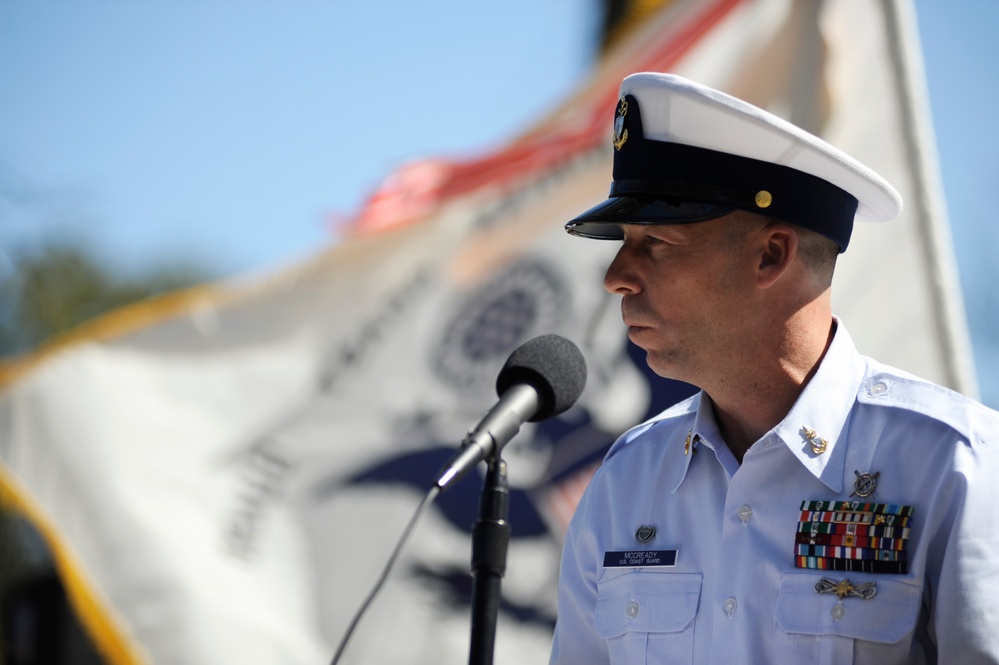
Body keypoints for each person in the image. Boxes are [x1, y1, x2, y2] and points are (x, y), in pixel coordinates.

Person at [549, 72, 999, 664]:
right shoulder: (625, 482)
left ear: (771, 254)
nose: (616, 276)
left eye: (656, 241)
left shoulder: (956, 464)